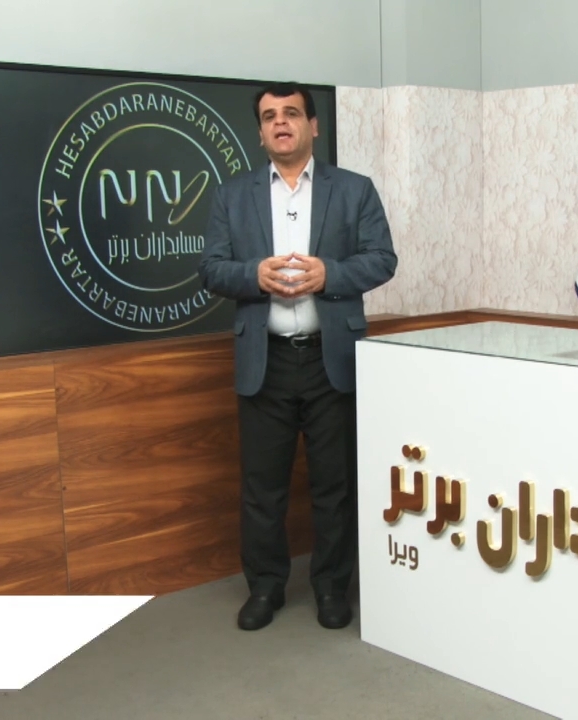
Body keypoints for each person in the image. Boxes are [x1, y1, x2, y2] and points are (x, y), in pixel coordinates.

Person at [198, 82, 397, 632]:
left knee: (335, 485)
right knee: (263, 488)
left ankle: (332, 588)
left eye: (291, 113)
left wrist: (330, 273)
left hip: (333, 359)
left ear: (314, 126)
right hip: (265, 360)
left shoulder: (354, 190)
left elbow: (383, 259)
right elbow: (211, 268)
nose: (280, 123)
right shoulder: (232, 195)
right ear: (261, 132)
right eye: (269, 116)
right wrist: (253, 275)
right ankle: (265, 588)